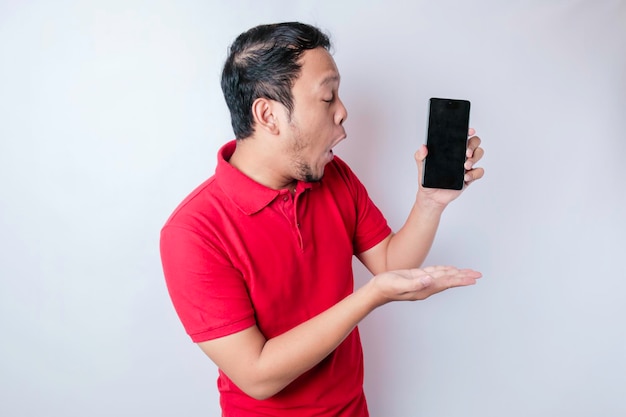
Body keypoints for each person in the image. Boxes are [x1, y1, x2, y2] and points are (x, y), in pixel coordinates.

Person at [160, 21, 484, 417]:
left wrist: (430, 202)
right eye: (328, 97)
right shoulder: (192, 233)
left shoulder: (335, 177)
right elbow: (257, 375)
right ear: (268, 115)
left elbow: (390, 265)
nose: (344, 111)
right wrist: (369, 297)